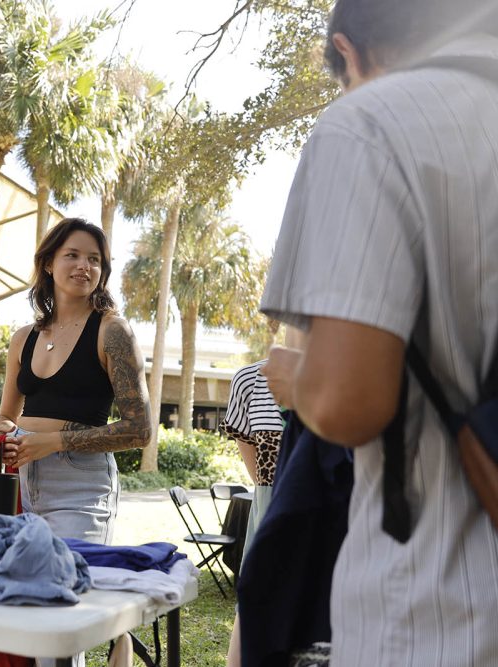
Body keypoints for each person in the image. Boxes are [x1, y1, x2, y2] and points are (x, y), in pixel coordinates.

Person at [261, 1, 498, 664]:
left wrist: (295, 378)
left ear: (350, 51)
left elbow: (347, 400)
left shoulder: (369, 124)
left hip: (434, 602)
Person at [0, 217, 153, 544]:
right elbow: (7, 415)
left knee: (69, 585)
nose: (84, 266)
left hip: (79, 485)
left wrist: (54, 442)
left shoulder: (113, 332)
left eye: (94, 259)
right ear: (49, 263)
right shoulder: (23, 338)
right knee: (15, 586)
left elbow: (140, 430)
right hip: (19, 481)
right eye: (73, 255)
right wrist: (1, 437)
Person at [219, 357, 284, 667]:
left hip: (344, 519)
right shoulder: (251, 380)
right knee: (254, 610)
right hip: (272, 515)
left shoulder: (359, 371)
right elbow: (261, 478)